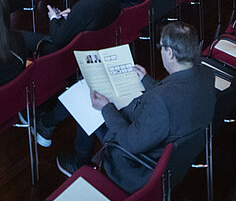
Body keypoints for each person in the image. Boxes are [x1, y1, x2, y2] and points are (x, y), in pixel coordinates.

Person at [47, 22, 215, 193]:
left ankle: (80, 162)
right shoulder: (206, 75)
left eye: (162, 47)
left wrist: (106, 108)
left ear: (170, 53)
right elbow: (176, 93)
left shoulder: (161, 102)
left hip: (136, 167)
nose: (161, 51)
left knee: (87, 100)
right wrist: (146, 80)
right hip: (171, 155)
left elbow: (130, 143)